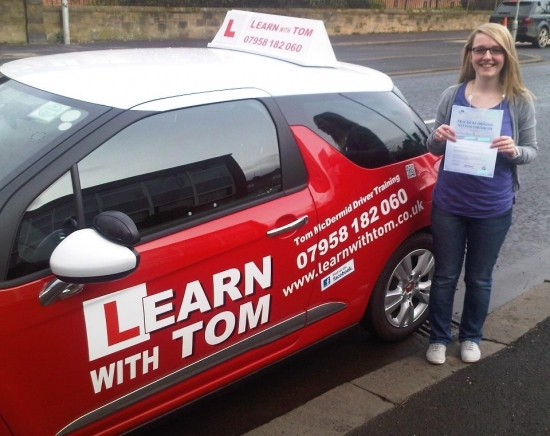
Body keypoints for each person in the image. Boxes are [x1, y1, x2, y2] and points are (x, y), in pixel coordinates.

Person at [425, 23, 538, 365]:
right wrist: (438, 138)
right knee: (444, 275)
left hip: (493, 208)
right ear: (470, 55)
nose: (487, 56)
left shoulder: (519, 102)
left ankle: (471, 335)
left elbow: (532, 151)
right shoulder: (453, 94)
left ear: (506, 55)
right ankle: (439, 338)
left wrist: (513, 150)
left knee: (479, 277)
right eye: (479, 50)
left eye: (495, 50)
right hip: (449, 204)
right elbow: (431, 148)